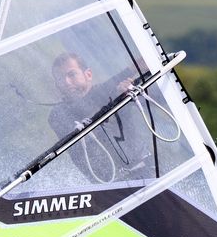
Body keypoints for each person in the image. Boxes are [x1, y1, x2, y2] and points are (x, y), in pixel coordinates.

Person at [49, 52, 154, 184]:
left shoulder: (113, 93)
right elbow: (86, 105)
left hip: (146, 172)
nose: (66, 82)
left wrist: (124, 94)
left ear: (88, 75)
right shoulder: (58, 114)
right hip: (108, 188)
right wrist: (131, 69)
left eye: (72, 74)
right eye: (59, 78)